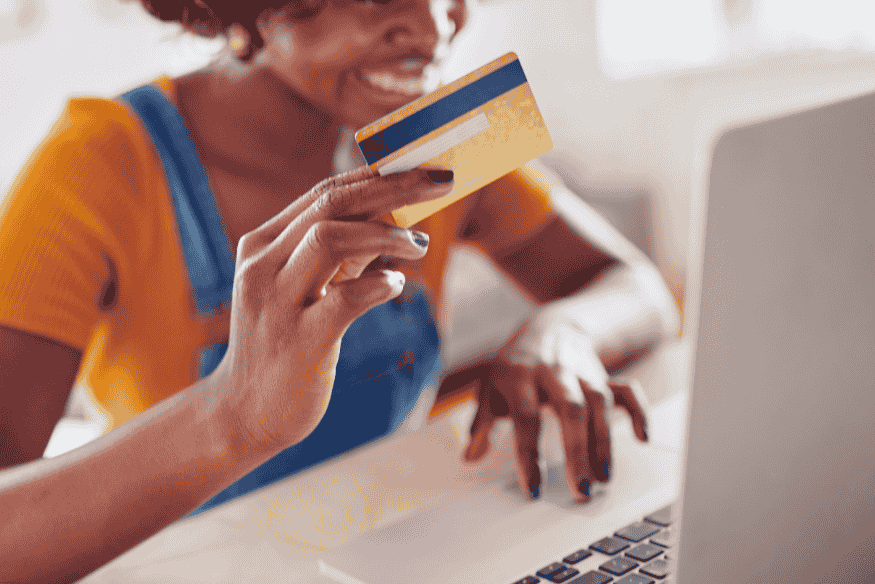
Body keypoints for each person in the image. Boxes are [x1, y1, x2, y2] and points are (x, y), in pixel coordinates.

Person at [0, 0, 680, 581]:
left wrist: (560, 334)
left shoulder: (437, 136)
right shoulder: (98, 159)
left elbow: (635, 286)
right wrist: (233, 416)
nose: (434, 28)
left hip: (404, 555)